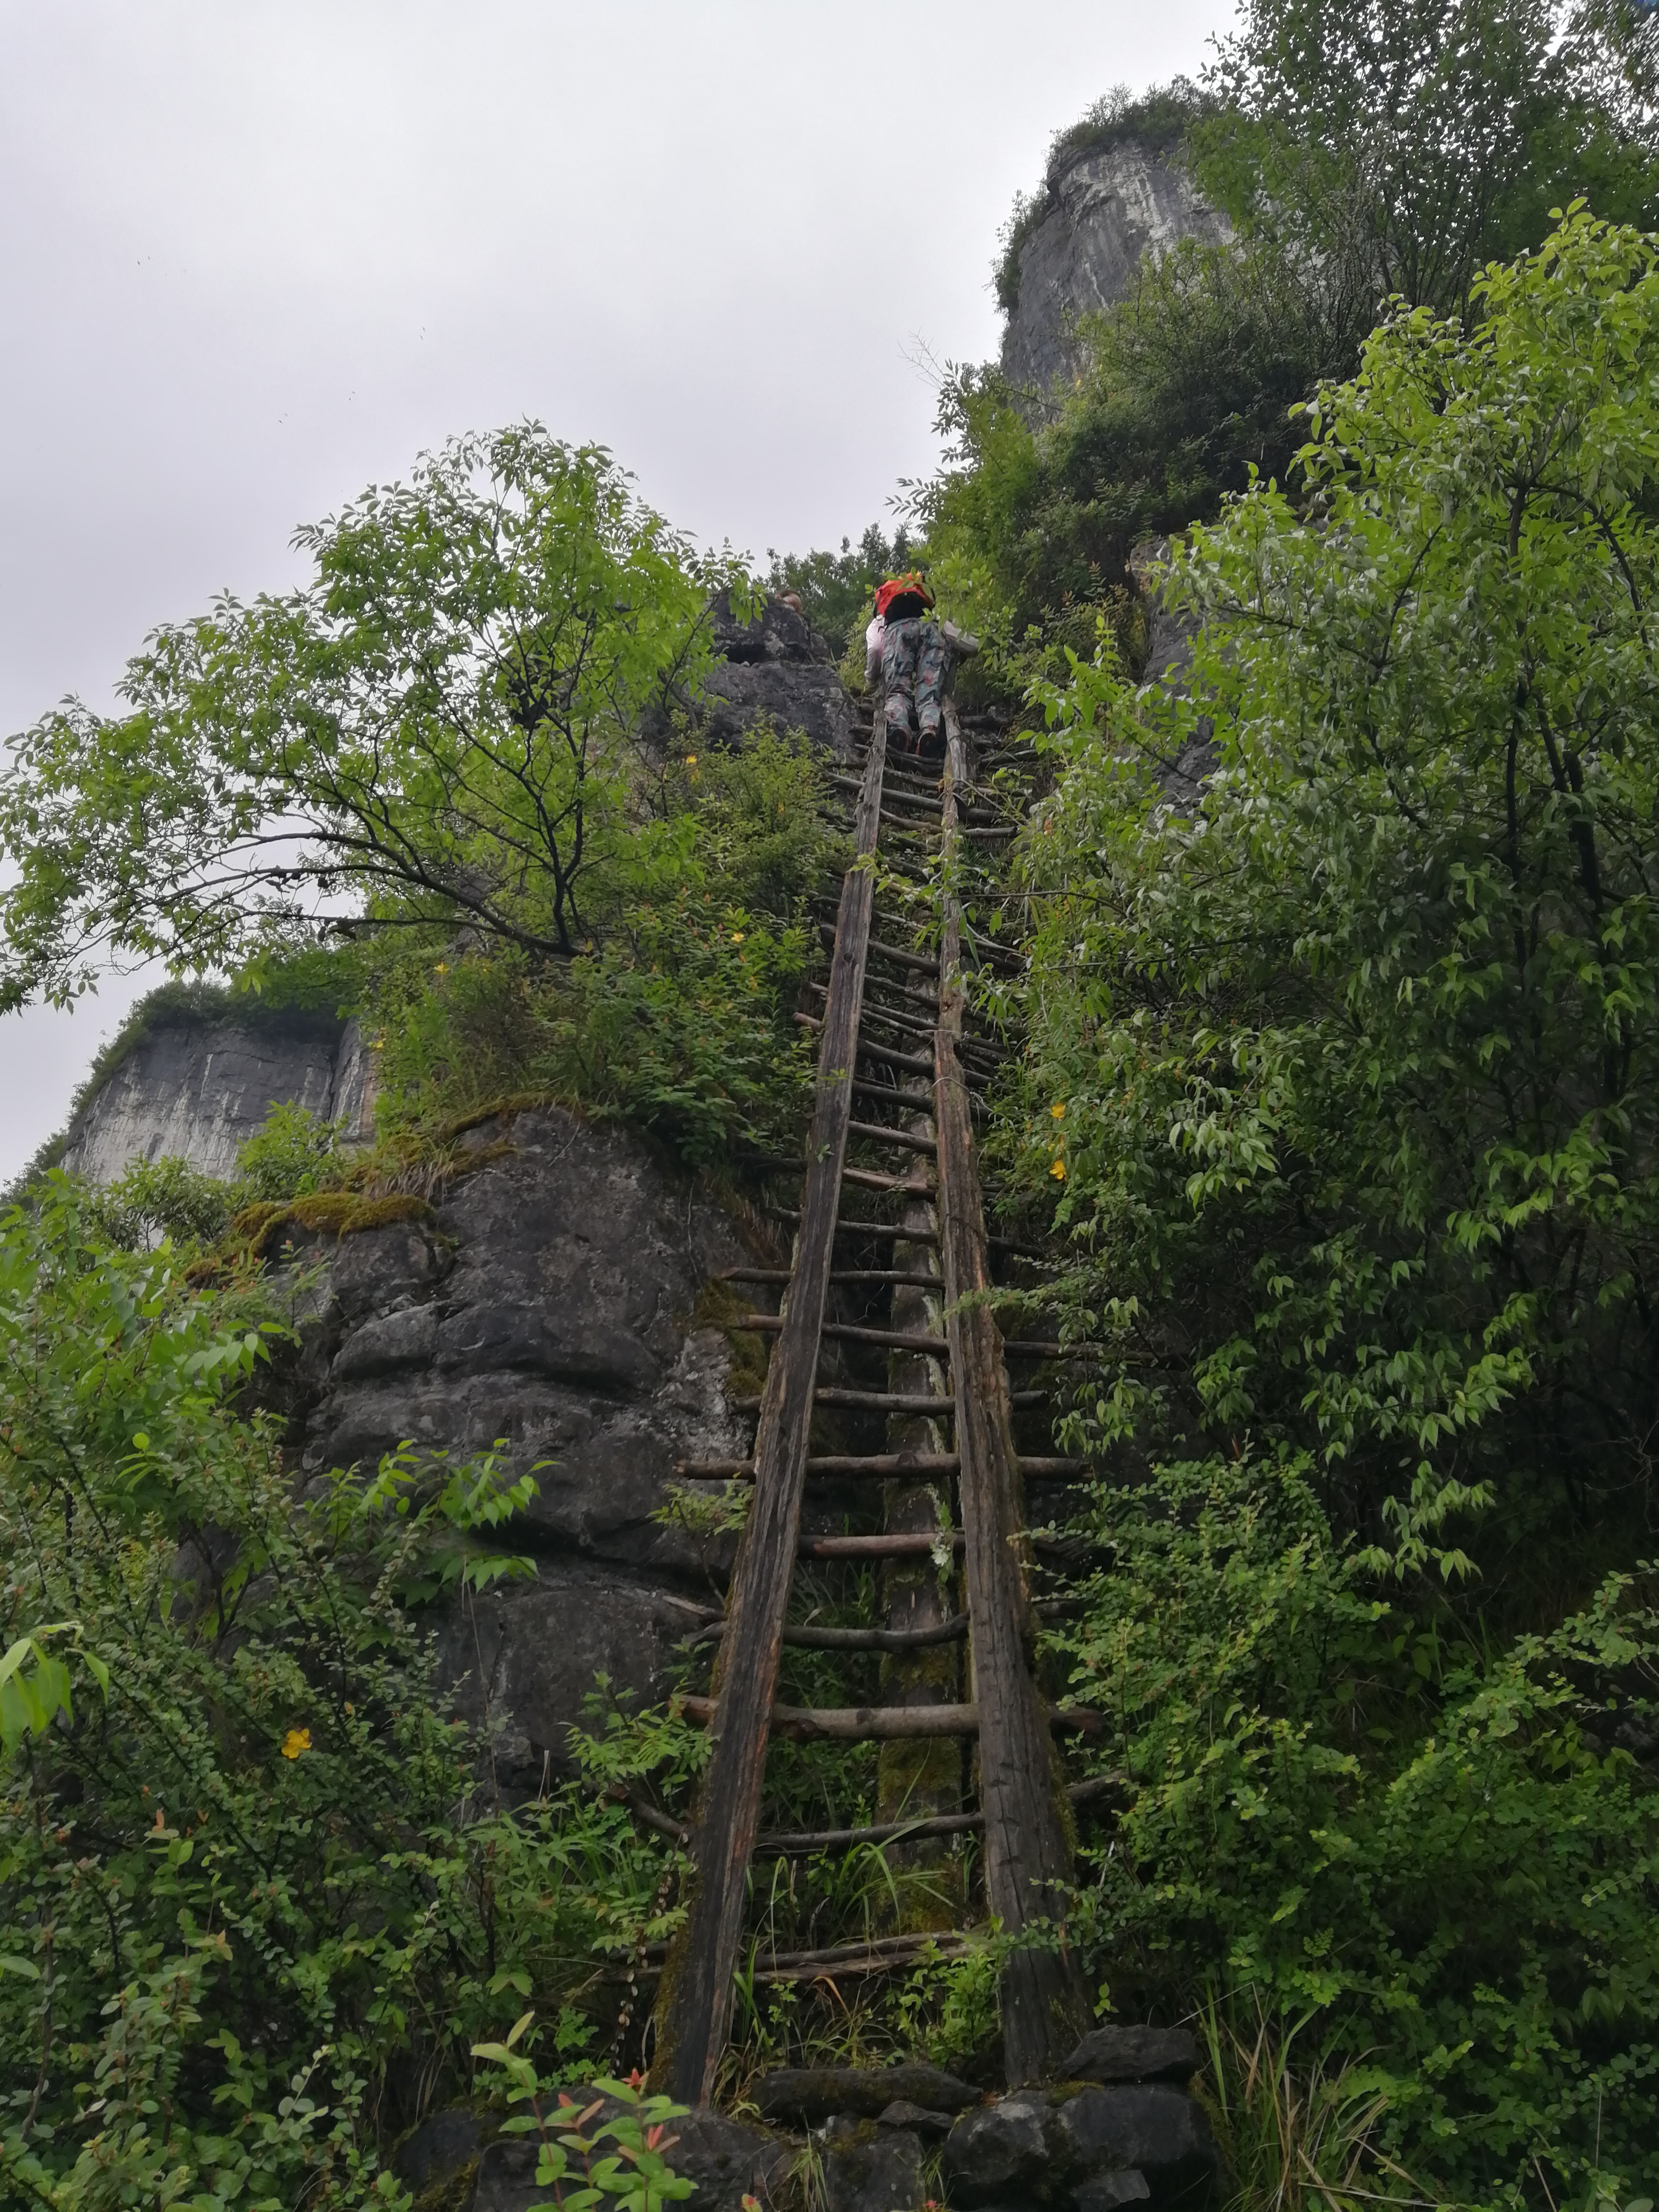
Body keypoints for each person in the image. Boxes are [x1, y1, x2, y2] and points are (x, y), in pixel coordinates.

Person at [866, 572, 976, 756]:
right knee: (929, 691)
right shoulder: (930, 614)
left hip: (897, 633)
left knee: (899, 690)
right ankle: (929, 729)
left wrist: (871, 679)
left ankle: (899, 728)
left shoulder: (880, 621)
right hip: (930, 630)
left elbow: (876, 648)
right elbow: (969, 646)